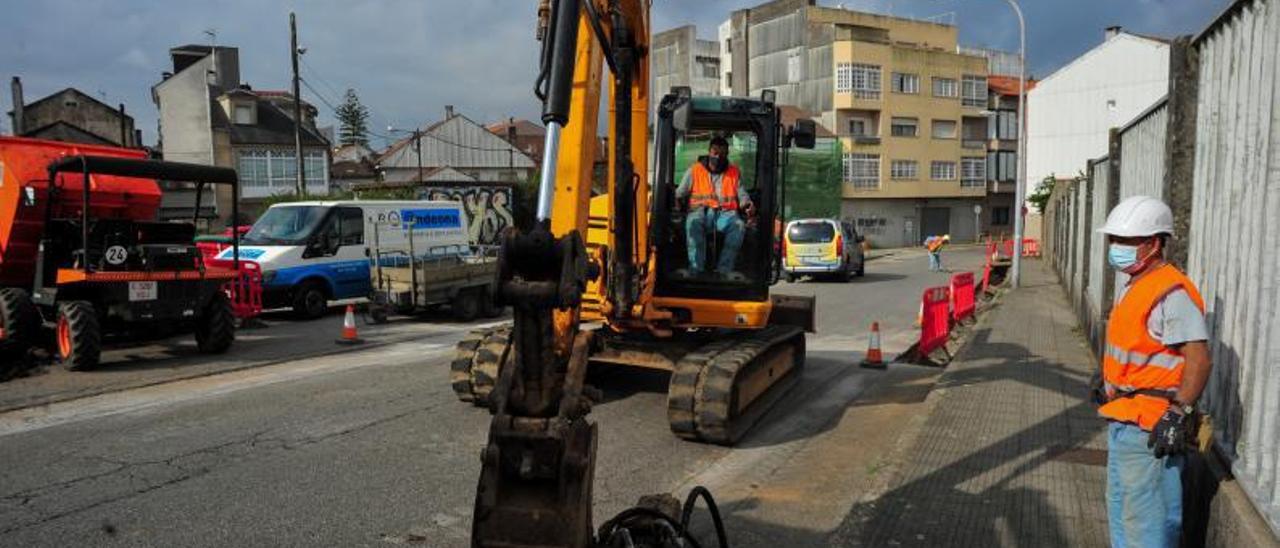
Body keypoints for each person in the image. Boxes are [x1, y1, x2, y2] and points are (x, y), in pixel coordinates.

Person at [1093, 195, 1211, 548]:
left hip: (1151, 427)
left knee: (1148, 527)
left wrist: (1178, 415)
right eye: (1114, 240)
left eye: (1127, 241)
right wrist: (1109, 379)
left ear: (1154, 244)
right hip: (1124, 419)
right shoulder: (1137, 286)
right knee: (1123, 514)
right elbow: (1140, 349)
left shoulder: (1170, 291)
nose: (1117, 247)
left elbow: (1199, 359)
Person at [675, 136, 754, 278]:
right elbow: (679, 193)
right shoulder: (695, 170)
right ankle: (696, 269)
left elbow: (742, 194)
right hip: (700, 212)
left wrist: (748, 205)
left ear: (727, 155)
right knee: (693, 224)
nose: (718, 157)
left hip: (726, 214)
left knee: (739, 226)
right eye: (715, 153)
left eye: (722, 154)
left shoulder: (734, 172)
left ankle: (724, 270)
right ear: (709, 152)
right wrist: (677, 202)